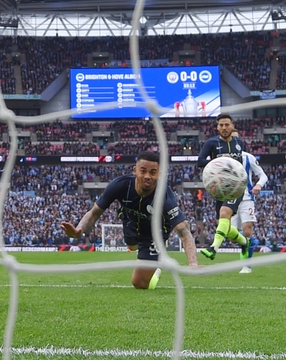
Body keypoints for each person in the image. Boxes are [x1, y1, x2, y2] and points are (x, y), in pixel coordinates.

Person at [61, 151, 199, 290]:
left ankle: (156, 264)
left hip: (155, 233)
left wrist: (193, 263)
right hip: (130, 222)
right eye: (143, 171)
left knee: (139, 283)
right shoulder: (120, 185)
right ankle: (152, 259)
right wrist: (79, 230)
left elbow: (184, 231)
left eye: (153, 172)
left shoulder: (165, 197)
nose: (147, 176)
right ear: (135, 170)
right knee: (132, 246)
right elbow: (94, 213)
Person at [196, 113, 250, 261]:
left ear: (233, 126)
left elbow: (246, 163)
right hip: (219, 188)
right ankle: (244, 243)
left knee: (225, 213)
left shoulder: (240, 143)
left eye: (227, 125)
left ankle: (213, 248)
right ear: (217, 127)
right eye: (221, 125)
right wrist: (217, 162)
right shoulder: (211, 143)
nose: (224, 128)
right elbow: (200, 161)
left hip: (236, 187)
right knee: (223, 225)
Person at [229, 132, 268, 273]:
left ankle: (247, 265)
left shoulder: (248, 157)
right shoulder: (222, 159)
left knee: (247, 230)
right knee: (232, 237)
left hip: (246, 199)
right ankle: (252, 244)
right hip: (229, 200)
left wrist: (258, 185)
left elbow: (263, 175)